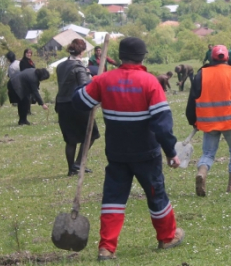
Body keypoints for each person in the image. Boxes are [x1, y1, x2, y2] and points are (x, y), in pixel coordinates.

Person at [72, 37, 184, 261]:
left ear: (121, 55)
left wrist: (91, 82)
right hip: (146, 153)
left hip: (116, 153)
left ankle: (106, 247)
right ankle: (167, 237)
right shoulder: (150, 82)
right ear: (143, 56)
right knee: (156, 195)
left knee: (113, 199)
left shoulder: (104, 80)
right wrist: (171, 152)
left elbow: (79, 102)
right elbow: (162, 125)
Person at [186, 45, 231, 196]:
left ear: (212, 58)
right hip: (229, 122)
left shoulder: (201, 74)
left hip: (208, 122)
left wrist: (193, 120)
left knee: (208, 153)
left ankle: (202, 172)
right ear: (227, 58)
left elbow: (192, 99)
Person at [55, 39, 99, 176]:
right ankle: (78, 163)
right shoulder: (79, 67)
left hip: (61, 104)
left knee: (70, 138)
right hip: (76, 104)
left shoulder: (60, 66)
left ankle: (71, 168)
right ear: (82, 51)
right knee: (91, 134)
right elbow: (85, 87)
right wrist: (91, 77)